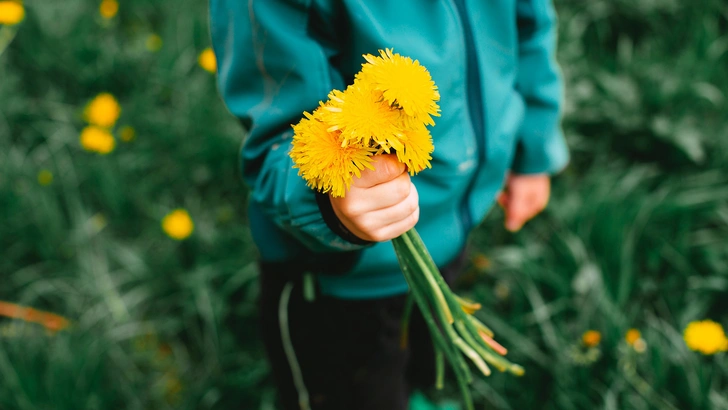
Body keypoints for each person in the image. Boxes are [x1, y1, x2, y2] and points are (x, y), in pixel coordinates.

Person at [210, 1, 569, 409]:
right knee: (355, 390)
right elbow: (278, 136)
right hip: (340, 279)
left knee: (422, 355)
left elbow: (529, 27)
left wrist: (532, 149)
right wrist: (331, 201)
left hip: (450, 228)